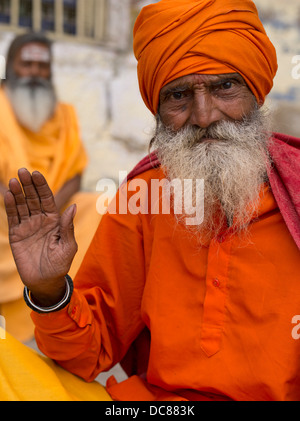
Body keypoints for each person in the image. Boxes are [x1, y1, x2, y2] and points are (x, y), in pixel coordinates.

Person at [3, 0, 300, 401]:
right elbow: (87, 355)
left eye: (224, 87)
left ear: (257, 91)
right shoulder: (145, 197)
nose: (204, 114)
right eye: (179, 95)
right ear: (158, 111)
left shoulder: (294, 191)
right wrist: (50, 291)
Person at [0, 32, 101, 342]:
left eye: (42, 65)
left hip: (53, 213)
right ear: (11, 67)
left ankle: (71, 309)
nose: (35, 72)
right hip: (5, 211)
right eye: (27, 63)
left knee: (103, 205)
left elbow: (75, 171)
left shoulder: (64, 114)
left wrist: (50, 211)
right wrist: (18, 208)